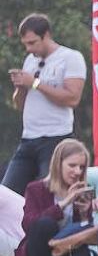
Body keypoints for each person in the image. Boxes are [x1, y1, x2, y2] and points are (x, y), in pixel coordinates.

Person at [6, 13, 87, 194]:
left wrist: (35, 83)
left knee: (47, 194)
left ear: (46, 35)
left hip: (55, 138)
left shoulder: (70, 57)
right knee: (7, 194)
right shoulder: (30, 60)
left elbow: (72, 98)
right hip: (29, 137)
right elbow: (19, 105)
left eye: (32, 43)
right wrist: (20, 87)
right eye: (25, 44)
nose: (29, 49)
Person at [11, 138, 98, 256]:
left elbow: (86, 235)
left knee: (81, 246)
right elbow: (29, 225)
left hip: (65, 254)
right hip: (39, 254)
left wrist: (85, 214)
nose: (78, 172)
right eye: (72, 165)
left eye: (82, 167)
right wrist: (63, 204)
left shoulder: (82, 193)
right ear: (58, 164)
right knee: (45, 223)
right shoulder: (36, 189)